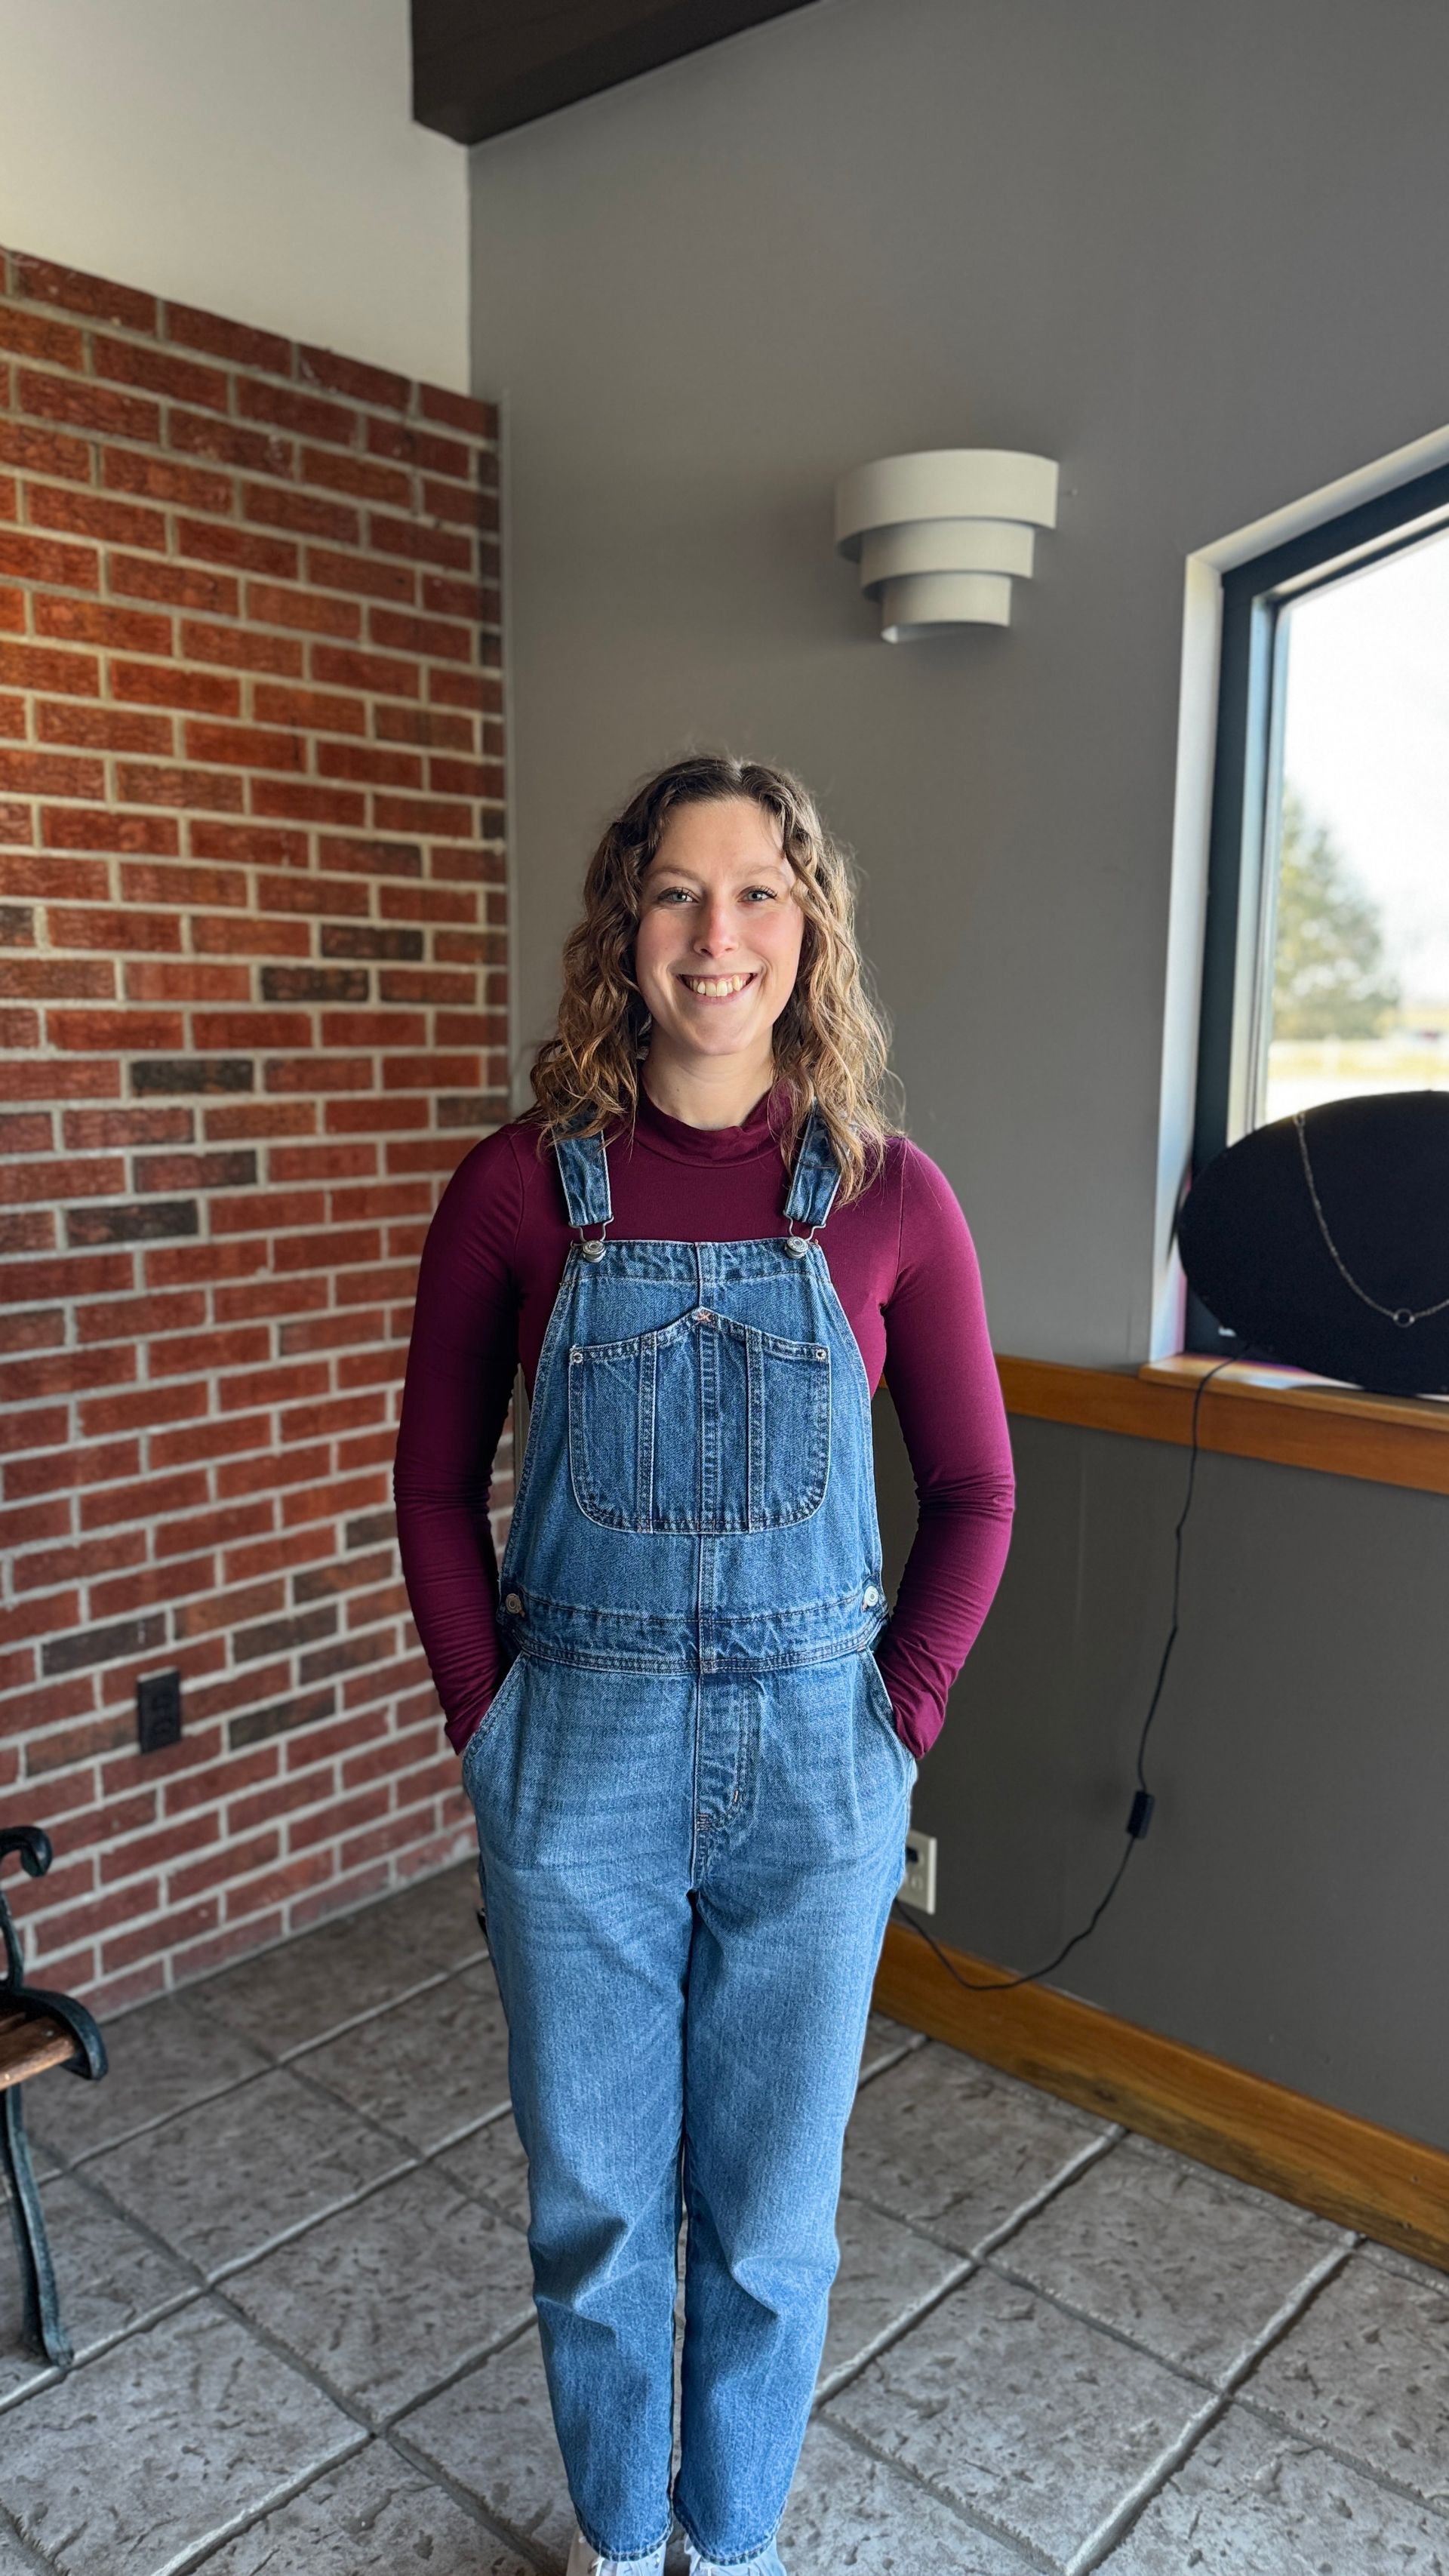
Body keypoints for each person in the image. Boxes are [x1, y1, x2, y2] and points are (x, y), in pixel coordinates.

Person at [392, 753, 1015, 2576]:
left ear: (807, 930)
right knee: (597, 2211)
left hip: (818, 1774)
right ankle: (618, 2536)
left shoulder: (893, 1199)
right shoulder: (518, 1192)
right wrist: (489, 1725)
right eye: (677, 890)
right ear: (626, 925)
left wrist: (898, 1722)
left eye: (756, 892)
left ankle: (730, 2543)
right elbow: (430, 1486)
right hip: (573, 1758)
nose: (716, 932)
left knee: (770, 2224)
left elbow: (976, 1494)